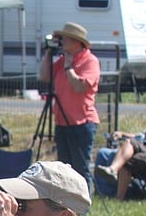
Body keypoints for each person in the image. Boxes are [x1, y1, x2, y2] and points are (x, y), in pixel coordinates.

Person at [38, 22, 100, 190]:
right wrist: (48, 53)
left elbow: (80, 87)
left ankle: (83, 208)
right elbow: (44, 76)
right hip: (62, 122)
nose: (62, 42)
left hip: (82, 122)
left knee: (80, 168)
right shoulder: (63, 60)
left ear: (76, 42)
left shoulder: (90, 61)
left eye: (65, 39)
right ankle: (67, 205)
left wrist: (69, 68)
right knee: (64, 169)